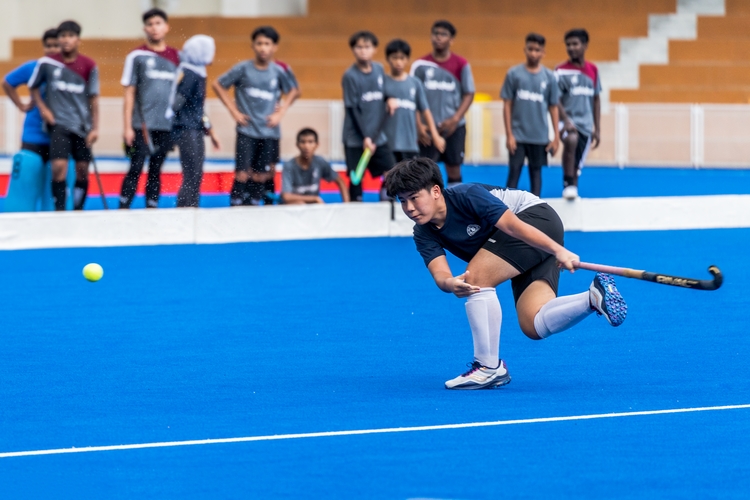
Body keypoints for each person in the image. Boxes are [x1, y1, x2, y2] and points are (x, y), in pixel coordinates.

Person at [384, 157, 627, 390]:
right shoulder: (423, 232)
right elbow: (440, 274)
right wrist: (450, 284)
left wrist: (558, 250)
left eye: (414, 198)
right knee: (534, 324)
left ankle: (488, 367)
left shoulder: (467, 196)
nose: (410, 208)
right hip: (518, 243)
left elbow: (512, 226)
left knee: (477, 278)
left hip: (536, 220)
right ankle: (593, 297)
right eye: (402, 201)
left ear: (436, 191)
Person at [213, 26, 299, 207]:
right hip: (247, 129)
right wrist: (233, 111)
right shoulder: (243, 68)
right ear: (253, 45)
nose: (263, 48)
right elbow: (218, 84)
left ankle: (256, 204)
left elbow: (294, 90)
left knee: (263, 173)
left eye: (267, 44)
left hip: (269, 131)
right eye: (259, 43)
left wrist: (281, 111)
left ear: (274, 47)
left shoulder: (278, 71)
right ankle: (236, 204)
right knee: (242, 173)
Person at [29, 20, 99, 211]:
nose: (66, 40)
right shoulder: (48, 63)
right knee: (58, 169)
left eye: (70, 36)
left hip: (82, 127)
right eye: (62, 36)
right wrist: (44, 109)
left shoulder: (89, 65)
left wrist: (94, 128)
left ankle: (77, 209)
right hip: (58, 126)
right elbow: (33, 86)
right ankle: (60, 211)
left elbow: (93, 99)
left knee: (82, 171)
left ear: (78, 40)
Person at [119, 8, 180, 209]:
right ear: (145, 28)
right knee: (136, 166)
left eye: (158, 23)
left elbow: (181, 94)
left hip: (166, 125)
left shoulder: (177, 57)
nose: (154, 28)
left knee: (156, 168)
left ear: (167, 27)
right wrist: (127, 127)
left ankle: (152, 209)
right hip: (141, 125)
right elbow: (129, 93)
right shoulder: (137, 56)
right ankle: (123, 207)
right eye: (150, 24)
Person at [410, 20, 475, 187]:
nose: (439, 37)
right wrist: (418, 125)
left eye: (443, 34)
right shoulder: (420, 65)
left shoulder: (461, 64)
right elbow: (413, 97)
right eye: (436, 33)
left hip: (454, 127)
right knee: (424, 170)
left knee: (454, 168)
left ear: (451, 40)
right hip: (427, 131)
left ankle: (455, 205)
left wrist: (455, 119)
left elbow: (469, 93)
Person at [2, 29, 60, 211]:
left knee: (53, 191)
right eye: (48, 46)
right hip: (33, 137)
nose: (52, 49)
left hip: (59, 137)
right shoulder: (32, 67)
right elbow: (7, 82)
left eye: (55, 45)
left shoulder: (69, 71)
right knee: (25, 181)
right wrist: (20, 104)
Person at [501, 33, 560, 197]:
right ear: (525, 49)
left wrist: (556, 137)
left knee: (536, 173)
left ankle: (535, 210)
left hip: (539, 137)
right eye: (530, 49)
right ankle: (506, 209)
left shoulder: (549, 77)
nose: (533, 53)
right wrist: (509, 135)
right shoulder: (514, 74)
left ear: (543, 53)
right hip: (518, 137)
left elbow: (553, 107)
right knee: (514, 172)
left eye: (537, 50)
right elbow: (507, 105)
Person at [166, 35, 220, 208]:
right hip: (186, 129)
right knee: (192, 172)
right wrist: (170, 127)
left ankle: (191, 206)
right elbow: (177, 103)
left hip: (193, 127)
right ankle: (186, 208)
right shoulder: (190, 74)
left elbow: (197, 108)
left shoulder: (197, 73)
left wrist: (210, 129)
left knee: (195, 173)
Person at [341, 30, 395, 202]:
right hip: (355, 138)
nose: (363, 50)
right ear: (353, 50)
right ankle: (355, 208)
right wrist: (365, 137)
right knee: (356, 177)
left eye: (367, 47)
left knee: (391, 171)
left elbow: (383, 92)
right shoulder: (350, 76)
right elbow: (352, 108)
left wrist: (389, 99)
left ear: (374, 49)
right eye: (359, 47)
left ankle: (385, 203)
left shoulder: (379, 69)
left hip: (378, 136)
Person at [556, 29, 601, 200]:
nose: (571, 48)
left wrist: (598, 128)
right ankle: (568, 183)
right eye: (568, 45)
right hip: (567, 122)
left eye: (575, 44)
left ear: (585, 45)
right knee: (571, 140)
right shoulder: (560, 70)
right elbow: (555, 99)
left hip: (586, 123)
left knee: (577, 164)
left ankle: (572, 189)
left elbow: (596, 99)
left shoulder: (593, 70)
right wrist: (566, 120)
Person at [383, 39, 444, 162]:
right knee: (389, 178)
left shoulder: (415, 83)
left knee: (409, 178)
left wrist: (435, 135)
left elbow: (425, 110)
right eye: (394, 58)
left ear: (407, 59)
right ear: (388, 59)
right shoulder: (382, 82)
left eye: (402, 58)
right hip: (388, 144)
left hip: (410, 144)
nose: (398, 62)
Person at [281, 128, 349, 204]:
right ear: (297, 145)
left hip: (314, 208)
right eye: (303, 142)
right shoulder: (289, 165)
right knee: (300, 204)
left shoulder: (320, 162)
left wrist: (346, 206)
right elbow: (286, 196)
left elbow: (340, 181)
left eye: (310, 142)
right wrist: (314, 198)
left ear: (317, 145)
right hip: (294, 209)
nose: (306, 146)